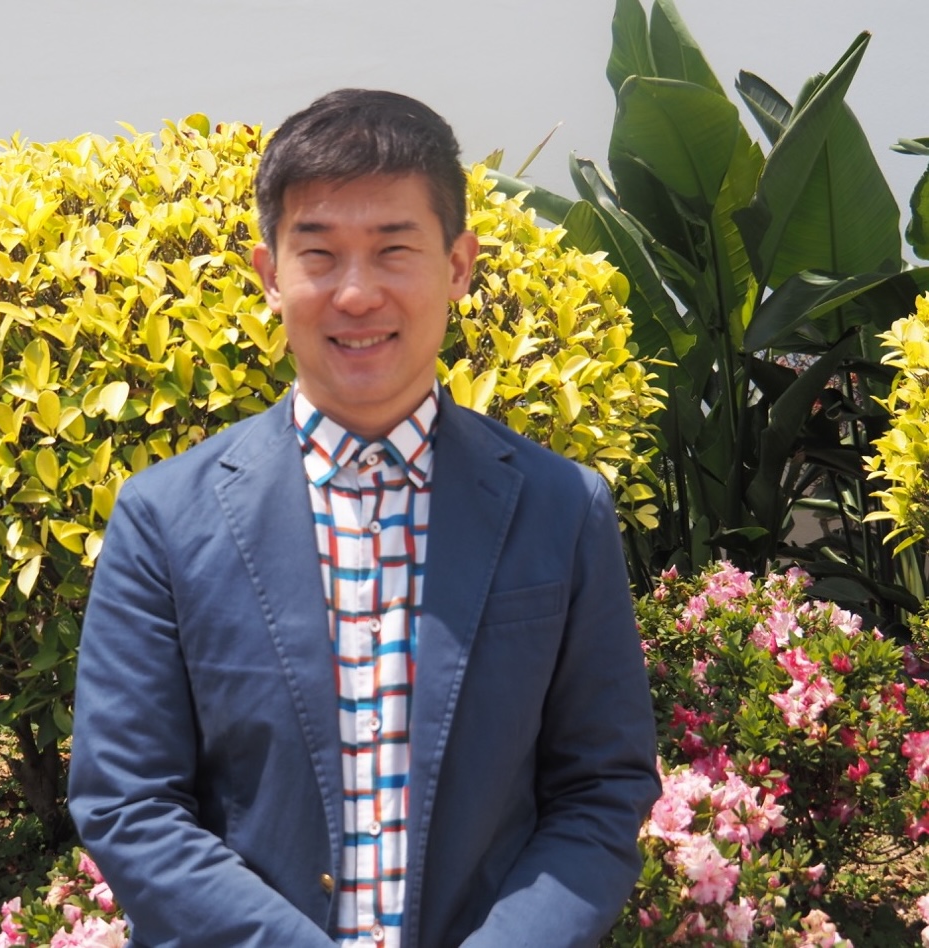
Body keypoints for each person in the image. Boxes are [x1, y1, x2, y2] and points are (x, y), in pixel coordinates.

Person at [68, 88, 660, 948]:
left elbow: (600, 787)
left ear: (457, 266)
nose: (354, 294)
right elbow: (127, 801)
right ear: (270, 275)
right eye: (318, 253)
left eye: (393, 250)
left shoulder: (560, 507)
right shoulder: (165, 518)